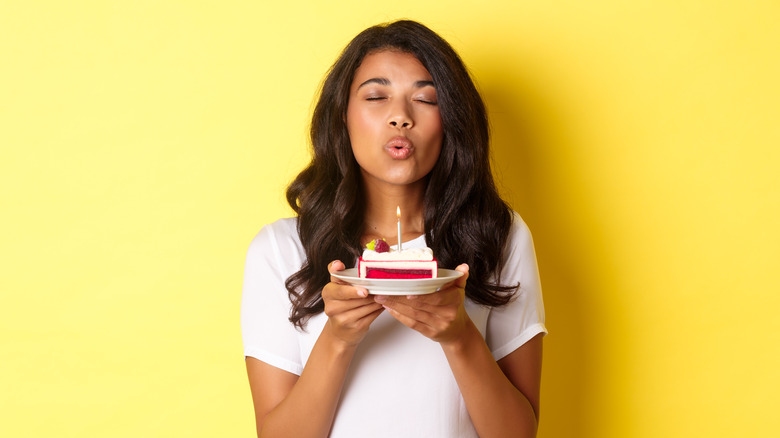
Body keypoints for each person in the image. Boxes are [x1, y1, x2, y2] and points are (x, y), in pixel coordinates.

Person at [241, 20, 547, 438]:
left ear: (451, 120)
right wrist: (338, 337)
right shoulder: (280, 250)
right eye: (376, 97)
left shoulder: (498, 236)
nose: (401, 117)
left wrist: (459, 337)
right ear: (342, 116)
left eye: (425, 99)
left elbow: (519, 434)